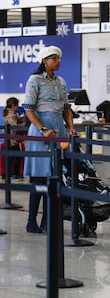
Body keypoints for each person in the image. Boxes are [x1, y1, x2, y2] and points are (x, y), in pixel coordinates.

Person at [22, 45, 77, 233]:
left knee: (53, 178)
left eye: (59, 58)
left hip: (58, 130)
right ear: (45, 61)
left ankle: (48, 221)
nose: (58, 61)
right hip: (40, 132)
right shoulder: (34, 80)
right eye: (55, 58)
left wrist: (70, 128)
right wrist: (43, 128)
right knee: (39, 177)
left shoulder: (60, 81)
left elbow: (66, 108)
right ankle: (31, 221)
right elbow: (28, 109)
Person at [2, 97, 26, 179]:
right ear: (13, 105)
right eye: (17, 105)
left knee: (12, 158)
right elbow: (14, 126)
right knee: (14, 157)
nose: (18, 107)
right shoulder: (11, 114)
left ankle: (9, 174)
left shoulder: (12, 113)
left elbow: (17, 120)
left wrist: (22, 118)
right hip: (12, 140)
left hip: (11, 139)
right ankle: (13, 174)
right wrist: (24, 125)